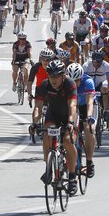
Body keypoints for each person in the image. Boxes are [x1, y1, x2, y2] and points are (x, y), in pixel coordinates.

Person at [31, 60, 78, 196]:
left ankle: (72, 178)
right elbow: (38, 107)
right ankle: (48, 169)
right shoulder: (44, 85)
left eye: (57, 76)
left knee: (68, 140)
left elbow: (72, 105)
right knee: (46, 134)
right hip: (54, 114)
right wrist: (35, 123)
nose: (54, 79)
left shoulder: (70, 84)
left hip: (69, 114)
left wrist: (70, 123)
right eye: (51, 76)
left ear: (63, 76)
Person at [68, 63, 96, 177]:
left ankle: (89, 161)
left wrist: (89, 117)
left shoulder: (88, 81)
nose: (75, 83)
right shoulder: (66, 83)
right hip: (73, 106)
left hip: (85, 107)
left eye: (77, 80)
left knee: (89, 129)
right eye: (72, 80)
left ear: (81, 77)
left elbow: (90, 102)